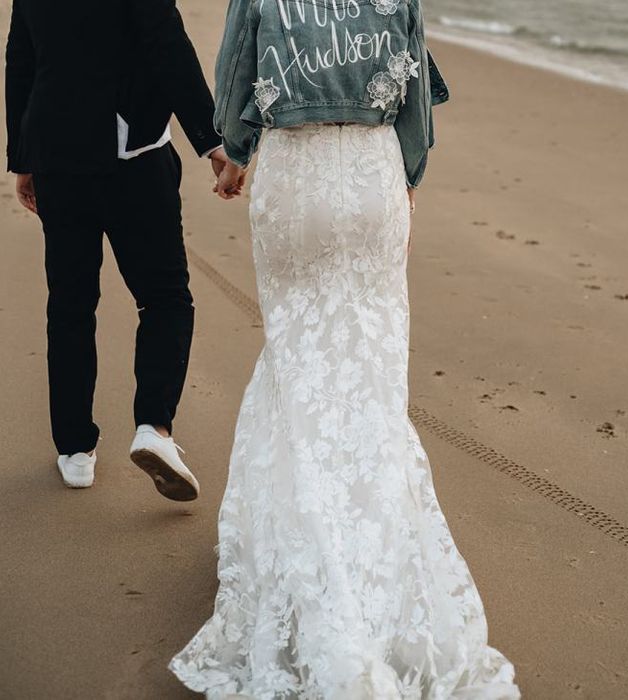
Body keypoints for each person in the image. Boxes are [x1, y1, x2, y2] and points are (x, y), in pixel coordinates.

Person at [171, 0, 521, 696]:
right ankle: (374, 561)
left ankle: (302, 562)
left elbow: (236, 74)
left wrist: (233, 156)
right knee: (371, 376)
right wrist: (407, 183)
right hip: (371, 174)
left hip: (296, 178)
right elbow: (414, 90)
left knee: (298, 361)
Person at [5, 0, 229, 500]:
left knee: (70, 304)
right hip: (131, 157)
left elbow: (20, 55)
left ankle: (75, 450)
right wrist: (210, 141)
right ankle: (154, 426)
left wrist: (23, 156)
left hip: (56, 152)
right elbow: (166, 43)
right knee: (165, 298)